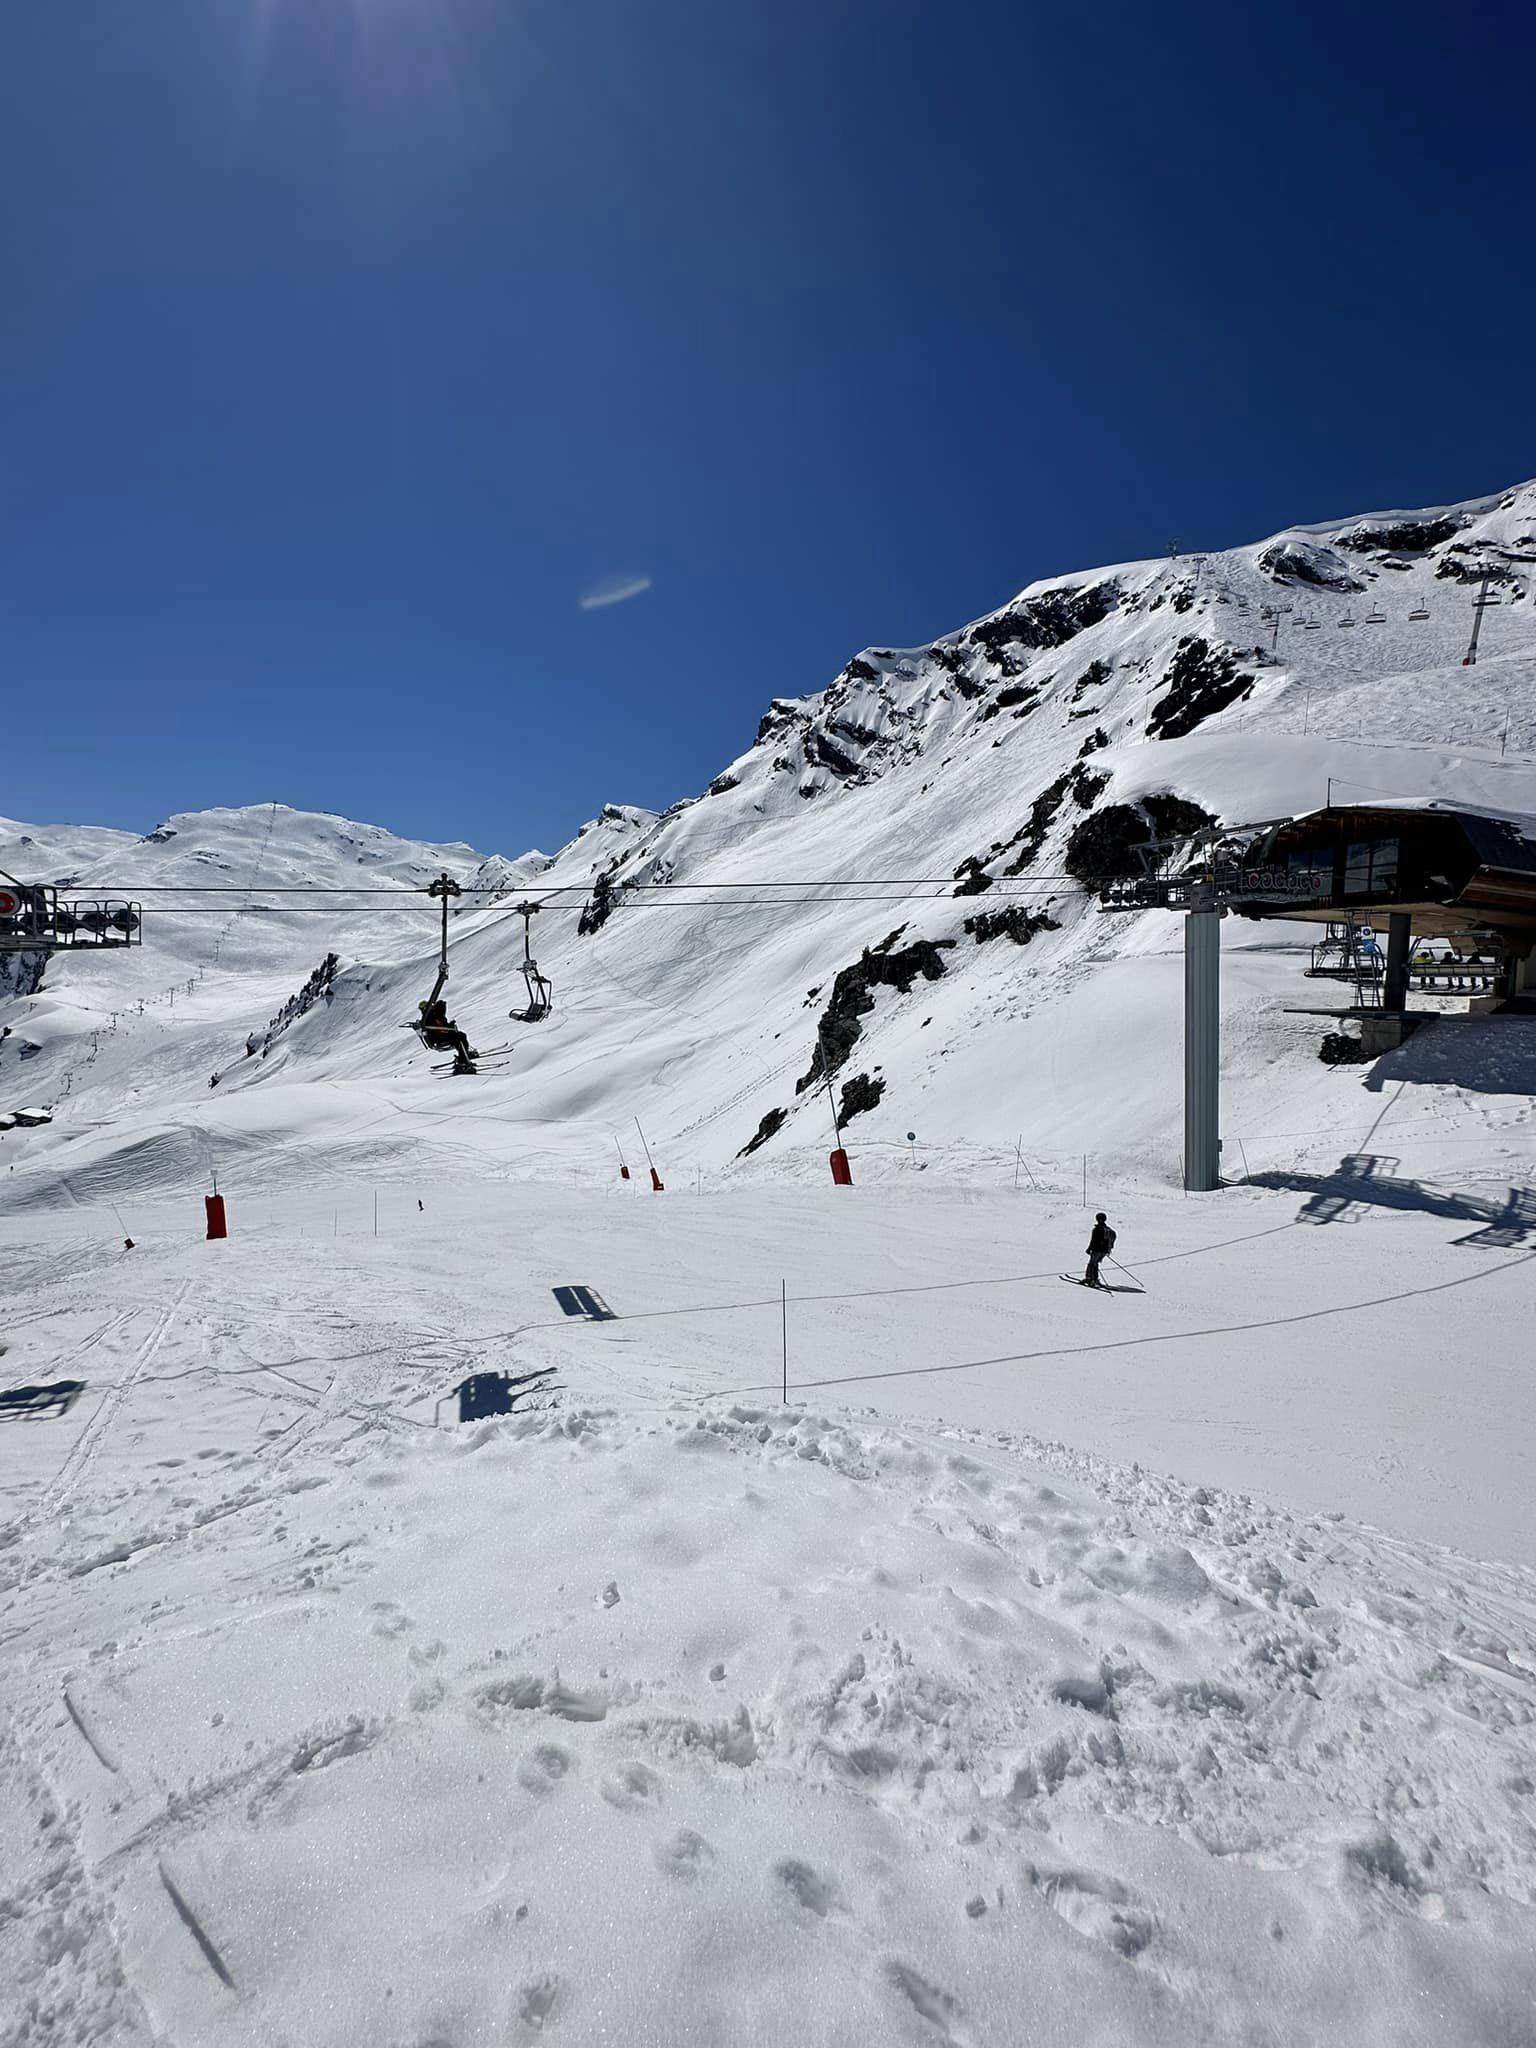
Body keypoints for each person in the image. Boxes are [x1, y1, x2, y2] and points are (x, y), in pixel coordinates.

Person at [1084, 1212, 1116, 1289]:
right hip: (1105, 1251)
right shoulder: (1108, 1229)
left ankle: (1090, 1279)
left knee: (1092, 1264)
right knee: (1095, 1263)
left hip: (1097, 1250)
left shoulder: (1097, 1229)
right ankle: (1094, 1279)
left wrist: (1089, 1249)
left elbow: (1093, 1240)